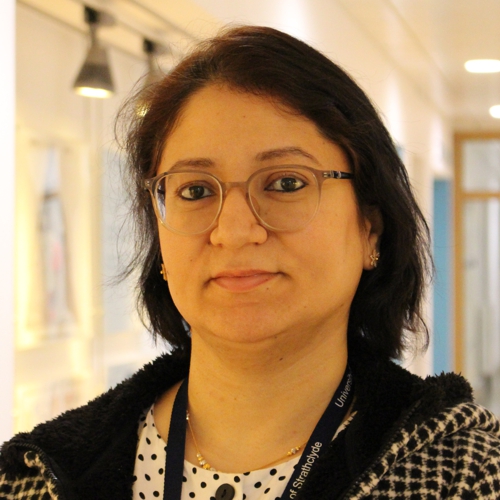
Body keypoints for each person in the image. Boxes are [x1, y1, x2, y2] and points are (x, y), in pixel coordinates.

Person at [1, 25, 500, 500]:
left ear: (370, 225)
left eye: (286, 183)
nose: (234, 231)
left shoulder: (467, 475)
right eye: (195, 191)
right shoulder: (36, 476)